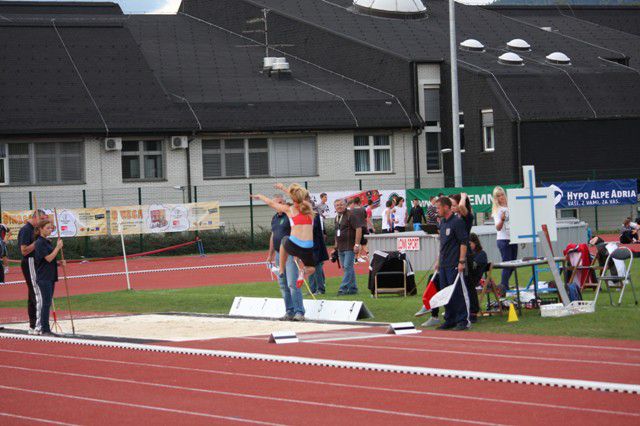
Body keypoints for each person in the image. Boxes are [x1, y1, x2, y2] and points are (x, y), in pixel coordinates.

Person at [252, 183, 316, 287]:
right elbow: (298, 198)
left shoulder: (290, 210)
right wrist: (284, 188)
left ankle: (281, 270)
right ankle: (303, 272)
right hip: (308, 246)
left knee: (284, 241)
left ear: (293, 200)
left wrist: (260, 196)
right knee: (312, 268)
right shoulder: (309, 209)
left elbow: (271, 203)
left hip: (295, 244)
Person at [433, 197, 470, 331]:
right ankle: (450, 319)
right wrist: (438, 260)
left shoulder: (457, 222)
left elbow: (463, 243)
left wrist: (461, 261)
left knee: (457, 292)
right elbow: (443, 244)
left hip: (454, 263)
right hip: (443, 264)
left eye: (438, 208)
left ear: (446, 207)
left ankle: (462, 320)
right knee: (444, 293)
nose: (437, 210)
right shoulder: (442, 223)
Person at [266, 194, 304, 321]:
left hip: (291, 252)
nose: (276, 206)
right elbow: (273, 235)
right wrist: (270, 254)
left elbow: (299, 232)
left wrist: (297, 253)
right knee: (283, 284)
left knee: (292, 283)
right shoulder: (275, 217)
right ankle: (289, 311)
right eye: (274, 204)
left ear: (284, 202)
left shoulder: (291, 215)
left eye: (278, 203)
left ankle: (299, 312)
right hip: (278, 253)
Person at [451, 193, 480, 323]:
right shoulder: (454, 218)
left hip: (466, 255)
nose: (451, 207)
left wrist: (463, 197)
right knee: (459, 284)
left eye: (453, 205)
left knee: (468, 284)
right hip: (455, 254)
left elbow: (462, 206)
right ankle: (461, 310)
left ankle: (473, 311)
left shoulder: (467, 217)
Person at [33, 218, 64, 336]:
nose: (50, 230)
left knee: (47, 302)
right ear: (41, 229)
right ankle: (44, 328)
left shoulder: (47, 241)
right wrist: (58, 247)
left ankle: (44, 328)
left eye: (51, 228)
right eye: (47, 228)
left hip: (50, 275)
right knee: (46, 303)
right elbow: (48, 258)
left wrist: (59, 263)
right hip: (44, 277)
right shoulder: (40, 242)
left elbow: (50, 260)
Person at [18, 209, 47, 335]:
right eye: (41, 220)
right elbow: (24, 250)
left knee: (33, 292)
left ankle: (34, 323)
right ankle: (36, 324)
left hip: (36, 262)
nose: (42, 223)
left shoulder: (36, 230)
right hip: (29, 262)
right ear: (35, 217)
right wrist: (37, 243)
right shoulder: (26, 230)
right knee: (36, 292)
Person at [334, 198, 364, 295]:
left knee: (347, 267)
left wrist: (357, 244)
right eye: (337, 205)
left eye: (341, 204)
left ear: (345, 205)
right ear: (335, 207)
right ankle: (353, 289)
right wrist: (335, 247)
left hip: (349, 246)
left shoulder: (351, 215)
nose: (339, 206)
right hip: (341, 247)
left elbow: (359, 229)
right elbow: (336, 233)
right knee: (347, 268)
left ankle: (343, 288)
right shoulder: (337, 217)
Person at [492, 186, 517, 295]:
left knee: (513, 265)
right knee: (507, 264)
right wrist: (502, 219)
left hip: (513, 238)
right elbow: (497, 227)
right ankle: (503, 288)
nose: (501, 197)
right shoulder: (497, 210)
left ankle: (503, 285)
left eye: (502, 194)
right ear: (496, 198)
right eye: (498, 196)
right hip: (503, 239)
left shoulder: (511, 207)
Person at [308, 195, 329, 295]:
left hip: (316, 246)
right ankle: (312, 289)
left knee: (317, 268)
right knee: (309, 267)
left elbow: (314, 230)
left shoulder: (315, 216)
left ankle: (320, 288)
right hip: (307, 246)